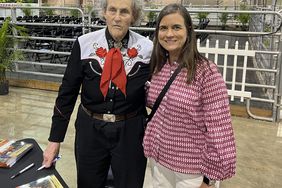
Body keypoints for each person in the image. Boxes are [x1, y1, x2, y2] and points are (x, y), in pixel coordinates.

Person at [42, 0, 153, 187]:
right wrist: (55, 139)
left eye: (124, 12)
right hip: (90, 130)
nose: (117, 17)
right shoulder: (84, 44)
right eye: (112, 10)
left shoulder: (148, 49)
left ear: (133, 16)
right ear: (104, 13)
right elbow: (67, 93)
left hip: (131, 132)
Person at [143, 3, 236, 188]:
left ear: (189, 31)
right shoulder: (158, 68)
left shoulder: (206, 73)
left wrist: (209, 177)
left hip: (191, 170)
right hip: (160, 162)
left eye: (176, 27)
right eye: (163, 28)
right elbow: (156, 102)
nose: (169, 34)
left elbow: (220, 128)